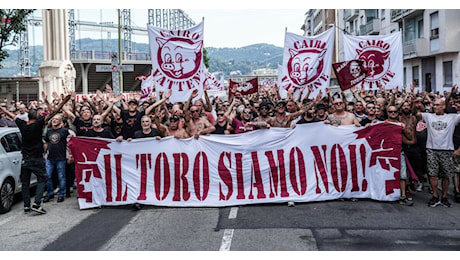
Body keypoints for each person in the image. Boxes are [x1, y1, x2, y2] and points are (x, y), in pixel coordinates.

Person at [0, 94, 70, 214]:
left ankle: (27, 206)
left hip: (25, 159)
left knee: (25, 183)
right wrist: (63, 102)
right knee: (42, 179)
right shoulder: (39, 124)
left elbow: (11, 115)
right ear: (37, 116)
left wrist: (2, 109)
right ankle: (37, 203)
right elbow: (53, 113)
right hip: (37, 158)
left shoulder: (22, 125)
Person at [416, 98, 460, 207]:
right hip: (431, 149)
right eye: (434, 105)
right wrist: (414, 101)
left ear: (444, 106)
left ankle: (444, 197)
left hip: (447, 150)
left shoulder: (452, 117)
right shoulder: (428, 116)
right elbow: (417, 114)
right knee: (432, 174)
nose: (435, 107)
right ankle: (435, 196)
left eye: (438, 105)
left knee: (446, 175)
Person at [386, 105, 413, 206]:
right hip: (385, 154)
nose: (393, 114)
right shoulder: (382, 124)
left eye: (395, 112)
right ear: (387, 113)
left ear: (398, 113)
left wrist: (404, 129)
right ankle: (385, 194)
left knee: (402, 175)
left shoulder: (401, 124)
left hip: (398, 152)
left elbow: (410, 137)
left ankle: (402, 195)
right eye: (390, 112)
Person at [43, 114, 74, 203]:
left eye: (56, 119)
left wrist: (70, 155)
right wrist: (44, 153)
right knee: (48, 176)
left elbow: (69, 144)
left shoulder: (65, 131)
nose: (54, 120)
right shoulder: (49, 131)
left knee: (61, 177)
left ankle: (61, 194)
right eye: (53, 119)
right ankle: (50, 193)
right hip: (50, 158)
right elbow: (46, 142)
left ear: (61, 121)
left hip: (61, 158)